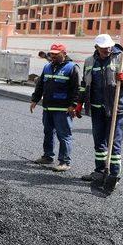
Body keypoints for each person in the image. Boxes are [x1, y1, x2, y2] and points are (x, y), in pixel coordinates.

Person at [76, 34, 123, 193]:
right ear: (96, 47)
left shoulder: (122, 58)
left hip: (116, 109)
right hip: (96, 109)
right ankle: (100, 171)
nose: (107, 50)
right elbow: (84, 84)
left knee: (114, 144)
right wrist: (79, 102)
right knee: (99, 143)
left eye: (109, 47)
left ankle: (114, 175)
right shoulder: (89, 61)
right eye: (103, 49)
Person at [30, 43, 81, 172]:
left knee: (63, 135)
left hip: (63, 109)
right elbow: (40, 85)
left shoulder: (72, 68)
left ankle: (64, 161)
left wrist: (73, 105)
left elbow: (77, 89)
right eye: (51, 54)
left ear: (64, 53)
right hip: (48, 108)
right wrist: (35, 100)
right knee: (48, 132)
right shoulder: (47, 67)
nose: (52, 56)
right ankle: (48, 156)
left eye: (56, 54)